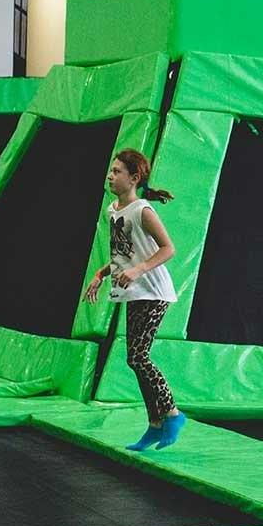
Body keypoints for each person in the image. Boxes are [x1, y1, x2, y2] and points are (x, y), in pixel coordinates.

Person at [84, 149, 183, 451]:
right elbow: (123, 254)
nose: (110, 176)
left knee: (139, 357)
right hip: (135, 292)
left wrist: (139, 269)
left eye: (117, 172)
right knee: (135, 359)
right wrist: (101, 274)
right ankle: (155, 424)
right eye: (110, 171)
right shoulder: (112, 209)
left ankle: (173, 414)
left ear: (134, 178)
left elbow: (168, 249)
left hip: (154, 291)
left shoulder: (143, 210)